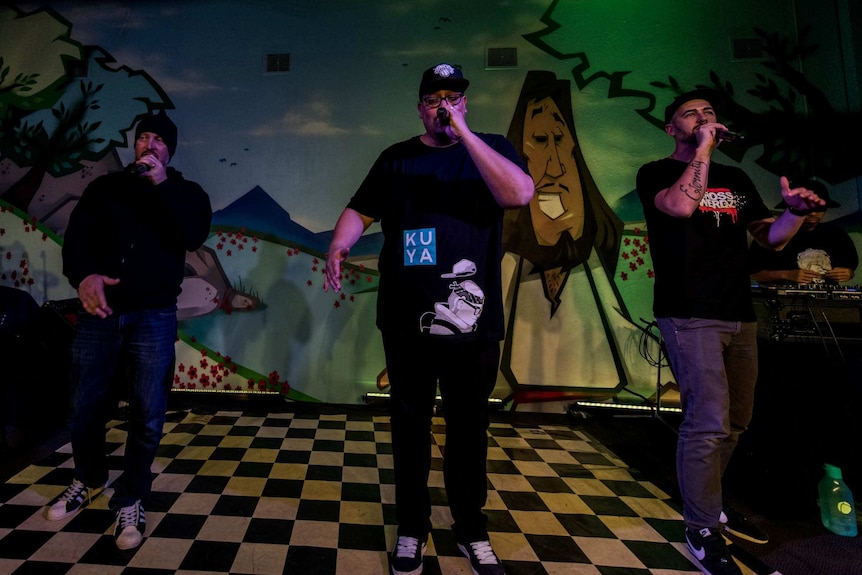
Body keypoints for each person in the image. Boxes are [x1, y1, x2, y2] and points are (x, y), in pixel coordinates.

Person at [325, 63, 533, 575]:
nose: (445, 104)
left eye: (454, 97)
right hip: (406, 319)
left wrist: (463, 134)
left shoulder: (490, 148)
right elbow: (361, 207)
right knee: (409, 426)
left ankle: (471, 529)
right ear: (420, 105)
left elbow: (519, 194)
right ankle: (412, 529)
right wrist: (339, 242)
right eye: (435, 97)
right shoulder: (396, 158)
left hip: (473, 325)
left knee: (469, 427)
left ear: (465, 103)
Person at [636, 89, 824, 575]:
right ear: (671, 128)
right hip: (688, 313)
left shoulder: (736, 179)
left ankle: (708, 500)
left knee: (737, 419)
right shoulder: (656, 173)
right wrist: (701, 150)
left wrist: (794, 213)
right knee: (707, 420)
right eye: (690, 115)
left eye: (710, 114)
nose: (704, 118)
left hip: (739, 313)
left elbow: (771, 239)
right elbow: (679, 208)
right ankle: (701, 526)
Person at [46, 110, 212, 551]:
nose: (149, 145)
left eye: (159, 140)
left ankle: (132, 495)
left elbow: (193, 234)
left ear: (169, 151)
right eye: (144, 137)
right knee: (84, 406)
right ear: (135, 145)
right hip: (100, 315)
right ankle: (89, 478)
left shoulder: (186, 193)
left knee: (147, 415)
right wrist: (84, 276)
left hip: (154, 316)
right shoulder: (104, 189)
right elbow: (77, 242)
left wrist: (161, 185)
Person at [750, 179, 858, 285]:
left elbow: (849, 270)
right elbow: (753, 273)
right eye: (807, 209)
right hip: (786, 300)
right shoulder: (773, 234)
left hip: (827, 301)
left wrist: (849, 273)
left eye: (819, 209)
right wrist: (787, 275)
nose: (813, 214)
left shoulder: (836, 235)